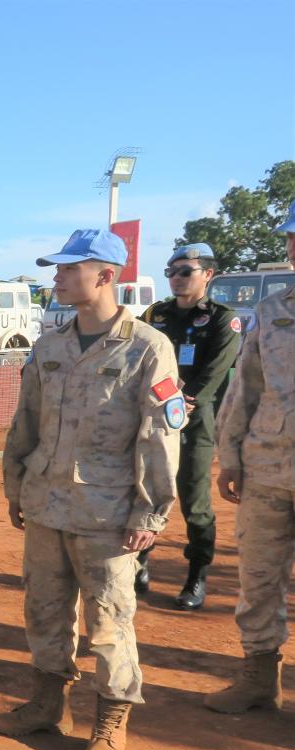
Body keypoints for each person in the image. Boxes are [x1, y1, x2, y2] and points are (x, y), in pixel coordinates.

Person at [0, 229, 180, 750]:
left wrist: (151, 511)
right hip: (46, 504)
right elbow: (25, 422)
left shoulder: (147, 347)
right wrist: (15, 486)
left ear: (106, 276)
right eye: (58, 268)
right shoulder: (50, 346)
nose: (58, 277)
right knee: (44, 611)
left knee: (109, 621)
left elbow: (160, 435)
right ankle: (47, 705)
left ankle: (111, 720)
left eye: (70, 269)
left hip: (108, 515)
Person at [205, 203, 295, 714]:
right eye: (291, 237)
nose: (293, 246)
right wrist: (231, 456)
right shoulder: (274, 309)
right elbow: (245, 387)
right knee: (258, 578)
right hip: (266, 467)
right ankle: (260, 676)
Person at [136, 243, 242, 609]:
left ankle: (197, 574)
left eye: (185, 271)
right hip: (152, 418)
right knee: (146, 489)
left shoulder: (222, 319)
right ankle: (139, 561)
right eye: (171, 272)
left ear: (208, 275)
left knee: (194, 500)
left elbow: (214, 372)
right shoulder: (155, 314)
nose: (176, 278)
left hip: (194, 421)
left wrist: (184, 403)